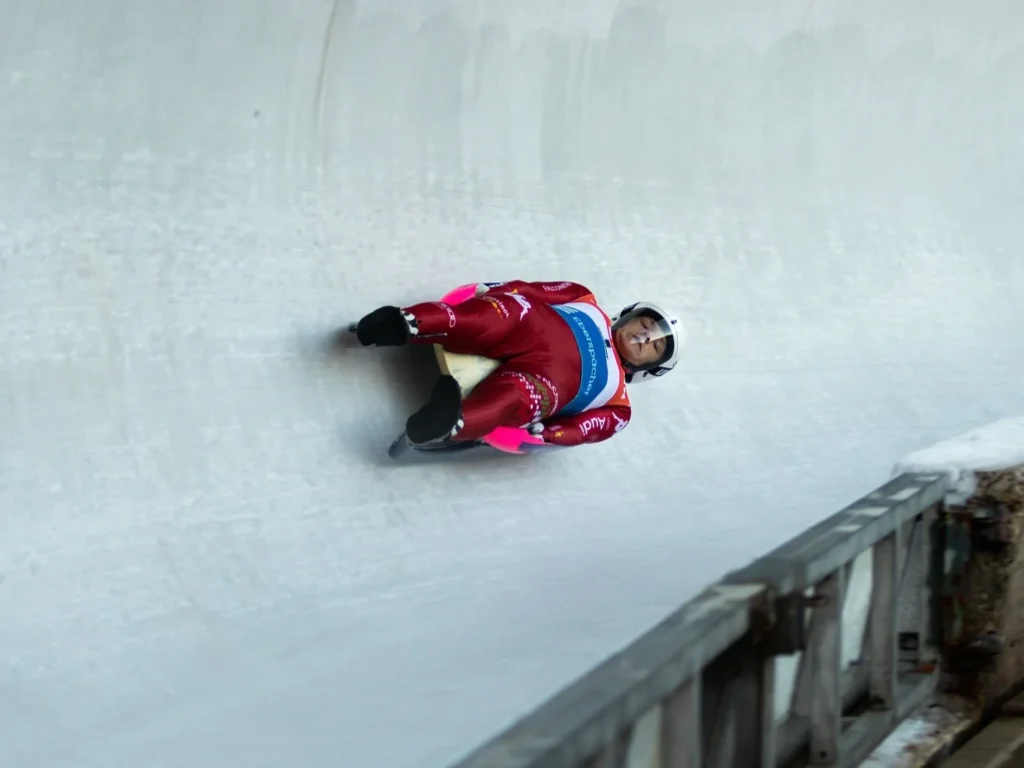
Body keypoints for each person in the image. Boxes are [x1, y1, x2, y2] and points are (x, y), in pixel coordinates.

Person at [353, 279, 685, 448]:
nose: (644, 337)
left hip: (551, 381)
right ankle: (403, 323)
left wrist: (553, 433)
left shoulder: (619, 406)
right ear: (629, 316)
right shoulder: (584, 298)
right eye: (645, 327)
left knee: (515, 396)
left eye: (653, 345)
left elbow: (587, 430)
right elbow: (532, 290)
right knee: (494, 317)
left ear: (650, 368)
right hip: (531, 323)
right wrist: (501, 292)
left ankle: (451, 419)